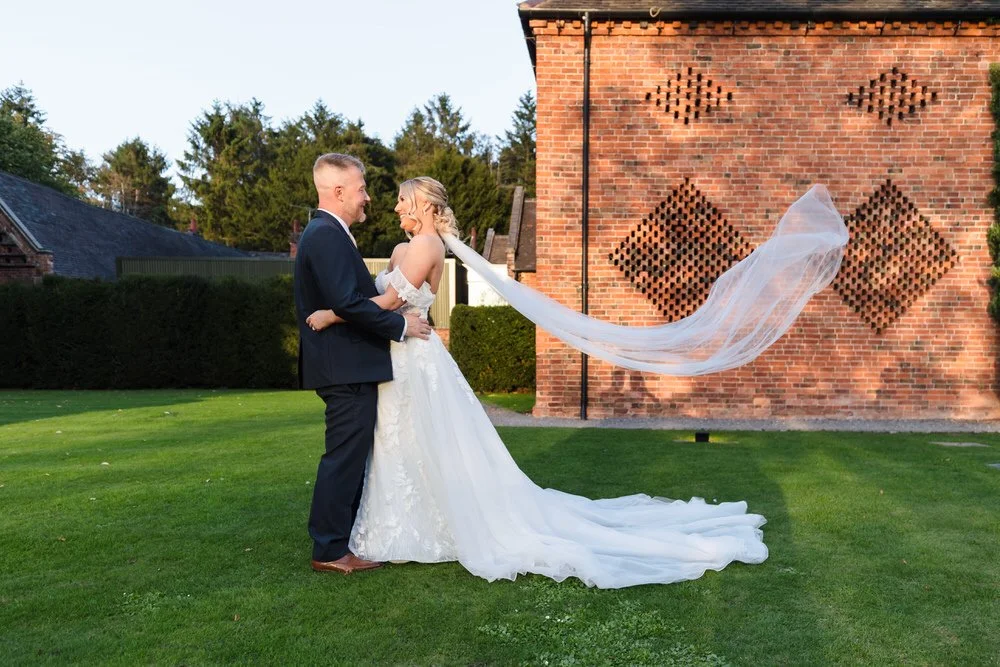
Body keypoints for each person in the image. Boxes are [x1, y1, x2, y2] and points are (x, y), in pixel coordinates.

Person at [305, 176, 769, 588]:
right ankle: (397, 524)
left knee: (422, 441)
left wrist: (330, 313)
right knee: (401, 444)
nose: (394, 207)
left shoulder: (426, 246)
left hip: (412, 355)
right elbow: (373, 299)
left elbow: (386, 301)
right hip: (398, 355)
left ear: (424, 206)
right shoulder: (407, 246)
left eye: (403, 200)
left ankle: (424, 525)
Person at [293, 154, 431, 576]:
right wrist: (400, 325)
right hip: (344, 365)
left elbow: (347, 299)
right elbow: (347, 304)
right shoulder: (326, 235)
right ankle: (330, 550)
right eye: (361, 188)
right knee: (343, 457)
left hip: (348, 364)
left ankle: (340, 538)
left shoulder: (331, 234)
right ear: (338, 192)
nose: (367, 196)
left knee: (351, 454)